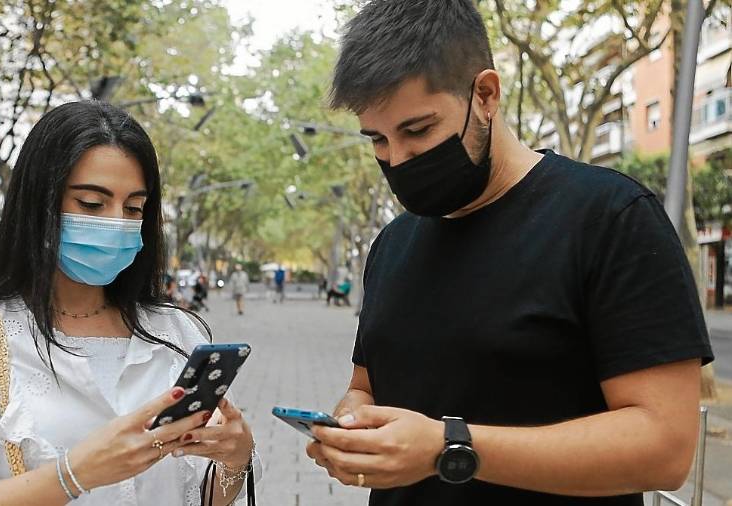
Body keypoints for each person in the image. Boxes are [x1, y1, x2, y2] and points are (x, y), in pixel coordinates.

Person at [305, 2, 714, 505]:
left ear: (485, 94)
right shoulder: (391, 246)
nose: (397, 159)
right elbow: (366, 385)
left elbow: (664, 449)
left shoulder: (611, 219)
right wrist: (352, 421)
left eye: (417, 131)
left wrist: (449, 447)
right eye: (377, 140)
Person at [0, 102, 259, 505]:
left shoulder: (174, 332)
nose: (116, 222)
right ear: (40, 205)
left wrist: (234, 459)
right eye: (91, 204)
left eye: (134, 207)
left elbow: (198, 497)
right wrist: (76, 473)